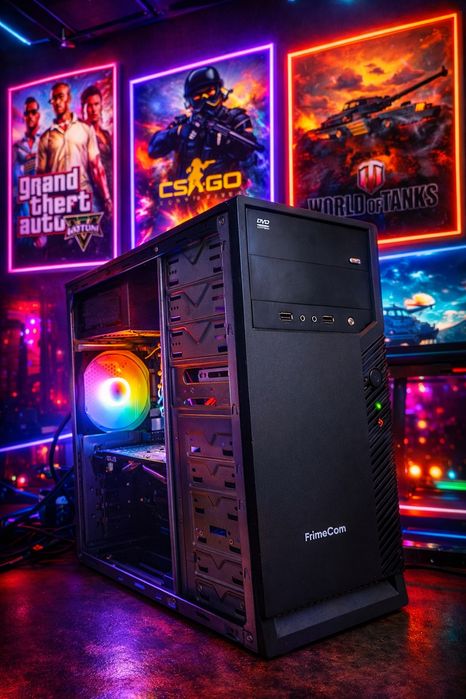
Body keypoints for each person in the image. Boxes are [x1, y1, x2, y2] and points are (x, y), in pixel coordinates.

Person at [148, 65, 262, 180]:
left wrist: (228, 143)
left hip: (228, 188)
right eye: (197, 96)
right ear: (190, 100)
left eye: (210, 92)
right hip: (186, 189)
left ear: (219, 90)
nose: (205, 99)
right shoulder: (183, 123)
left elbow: (251, 157)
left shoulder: (236, 118)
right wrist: (178, 131)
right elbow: (153, 150)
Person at [37, 82, 111, 215]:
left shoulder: (86, 129)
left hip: (83, 197)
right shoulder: (45, 138)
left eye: (60, 97)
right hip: (57, 202)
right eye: (53, 99)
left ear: (69, 98)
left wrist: (107, 198)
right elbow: (40, 177)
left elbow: (96, 167)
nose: (57, 102)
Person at [80, 84, 113, 199]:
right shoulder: (81, 134)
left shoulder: (106, 134)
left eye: (96, 104)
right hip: (95, 194)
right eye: (89, 105)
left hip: (113, 189)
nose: (93, 109)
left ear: (101, 106)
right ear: (83, 108)